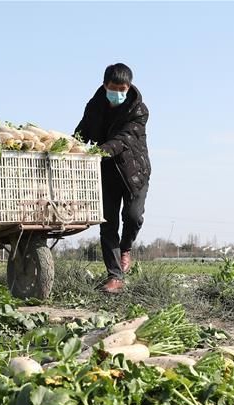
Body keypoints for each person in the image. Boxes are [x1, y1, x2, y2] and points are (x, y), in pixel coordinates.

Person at [74, 63, 151, 293]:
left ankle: (126, 247)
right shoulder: (94, 106)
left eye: (122, 88)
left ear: (128, 87)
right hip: (106, 171)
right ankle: (115, 276)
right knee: (108, 223)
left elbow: (124, 139)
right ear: (105, 84)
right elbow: (82, 132)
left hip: (133, 172)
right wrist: (70, 146)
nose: (118, 92)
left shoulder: (138, 110)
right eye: (113, 87)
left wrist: (99, 151)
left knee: (133, 216)